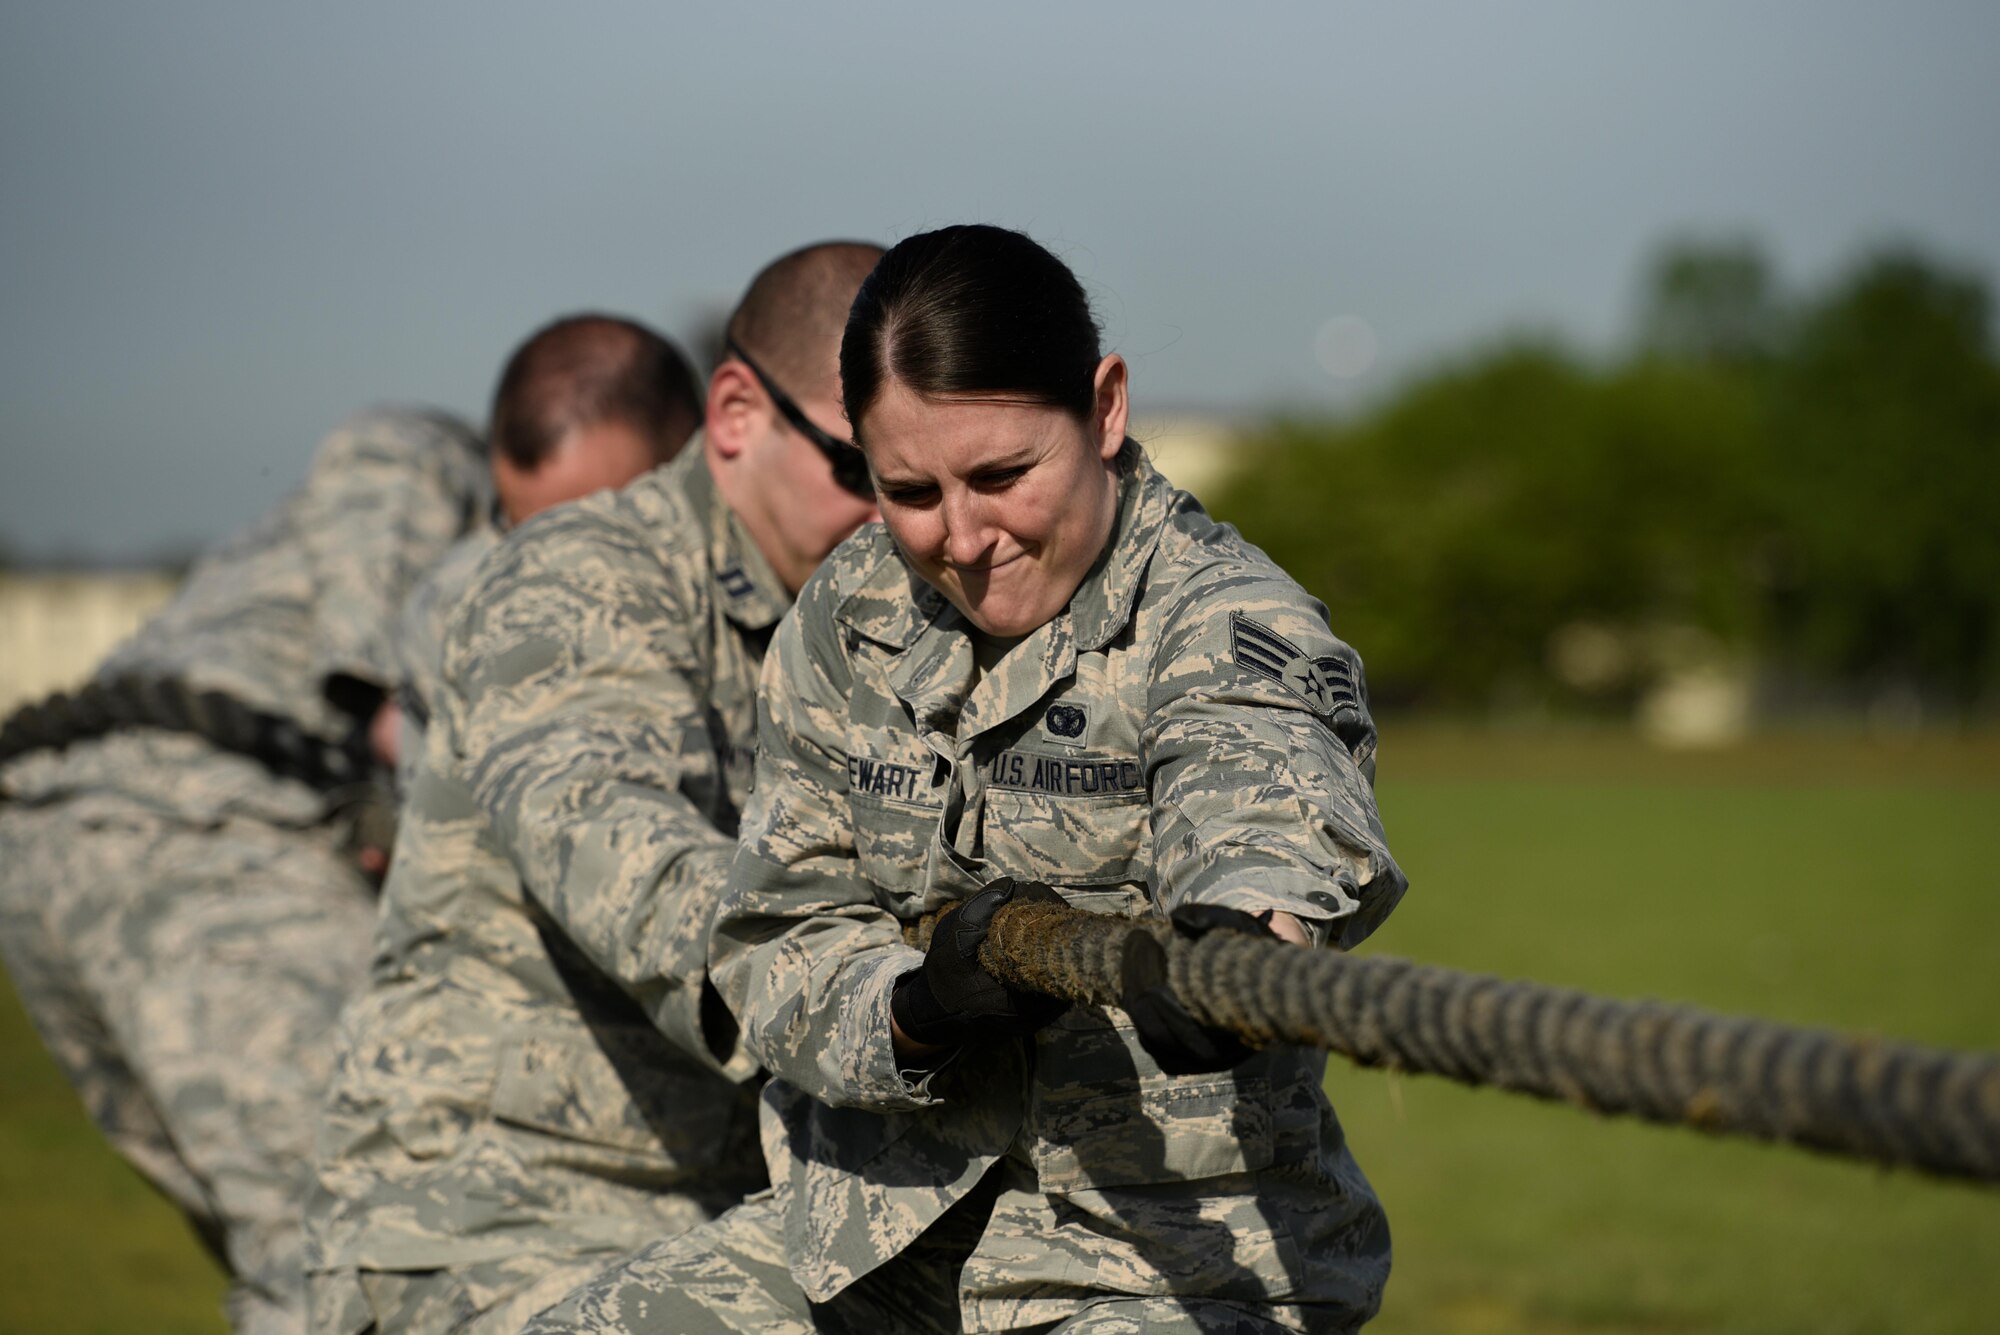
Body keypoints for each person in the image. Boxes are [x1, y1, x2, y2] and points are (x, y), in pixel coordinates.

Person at [527, 225, 1409, 1335]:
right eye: (907, 489)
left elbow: (1263, 800)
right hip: (873, 1248)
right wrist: (914, 1011)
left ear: (1105, 410)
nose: (960, 537)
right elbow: (775, 939)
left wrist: (1236, 955)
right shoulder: (851, 616)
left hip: (1161, 1269)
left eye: (1002, 475)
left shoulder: (1223, 621)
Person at [305, 241, 885, 1335]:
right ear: (734, 416)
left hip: (745, 1224)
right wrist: (890, 996)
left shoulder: (873, 626)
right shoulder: (577, 579)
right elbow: (625, 854)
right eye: (861, 471)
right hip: (488, 1235)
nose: (900, 516)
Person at [0, 409, 489, 1335]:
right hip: (195, 838)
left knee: (281, 1243)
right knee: (359, 1250)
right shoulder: (439, 456)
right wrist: (389, 721)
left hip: (60, 841)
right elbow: (378, 460)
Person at [390, 314, 704, 796]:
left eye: (585, 537)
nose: (540, 567)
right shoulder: (457, 611)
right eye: (516, 529)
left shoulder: (780, 586)